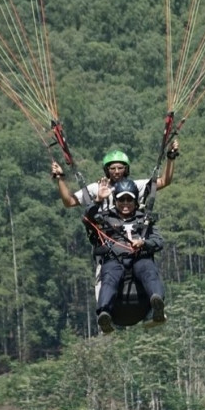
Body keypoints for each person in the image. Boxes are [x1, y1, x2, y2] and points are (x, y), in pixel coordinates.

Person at [84, 178, 166, 333]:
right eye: (121, 199)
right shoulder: (105, 218)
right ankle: (104, 314)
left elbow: (158, 241)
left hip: (139, 257)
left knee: (148, 268)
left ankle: (157, 302)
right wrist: (98, 200)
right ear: (115, 200)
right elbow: (88, 220)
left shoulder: (145, 219)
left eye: (129, 199)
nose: (125, 203)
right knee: (109, 276)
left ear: (135, 201)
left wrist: (144, 243)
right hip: (115, 259)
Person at [51, 139, 179, 210]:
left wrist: (171, 157)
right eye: (112, 168)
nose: (116, 172)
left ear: (126, 169)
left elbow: (164, 181)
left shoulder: (136, 186)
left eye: (120, 168)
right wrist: (60, 178)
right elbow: (69, 202)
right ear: (107, 170)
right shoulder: (96, 188)